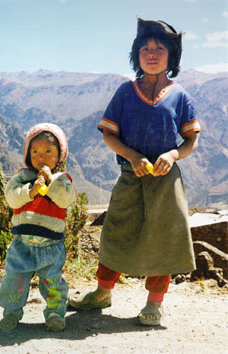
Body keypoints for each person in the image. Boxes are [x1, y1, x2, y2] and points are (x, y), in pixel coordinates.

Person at [68, 18, 200, 326]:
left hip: (166, 181)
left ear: (172, 55)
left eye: (159, 48)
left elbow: (191, 140)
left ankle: (154, 303)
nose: (151, 53)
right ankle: (102, 293)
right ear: (136, 55)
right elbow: (108, 134)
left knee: (163, 238)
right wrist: (133, 157)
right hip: (131, 177)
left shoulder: (180, 96)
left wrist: (172, 153)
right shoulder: (126, 92)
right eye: (145, 48)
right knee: (116, 232)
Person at [0, 123, 76, 332]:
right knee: (14, 279)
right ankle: (11, 312)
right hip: (22, 244)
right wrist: (30, 192)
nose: (41, 157)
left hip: (51, 245)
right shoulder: (22, 178)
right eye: (35, 151)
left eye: (48, 151)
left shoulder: (62, 179)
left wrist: (50, 180)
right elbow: (12, 198)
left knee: (53, 282)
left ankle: (55, 314)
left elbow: (65, 199)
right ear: (27, 154)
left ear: (60, 155)